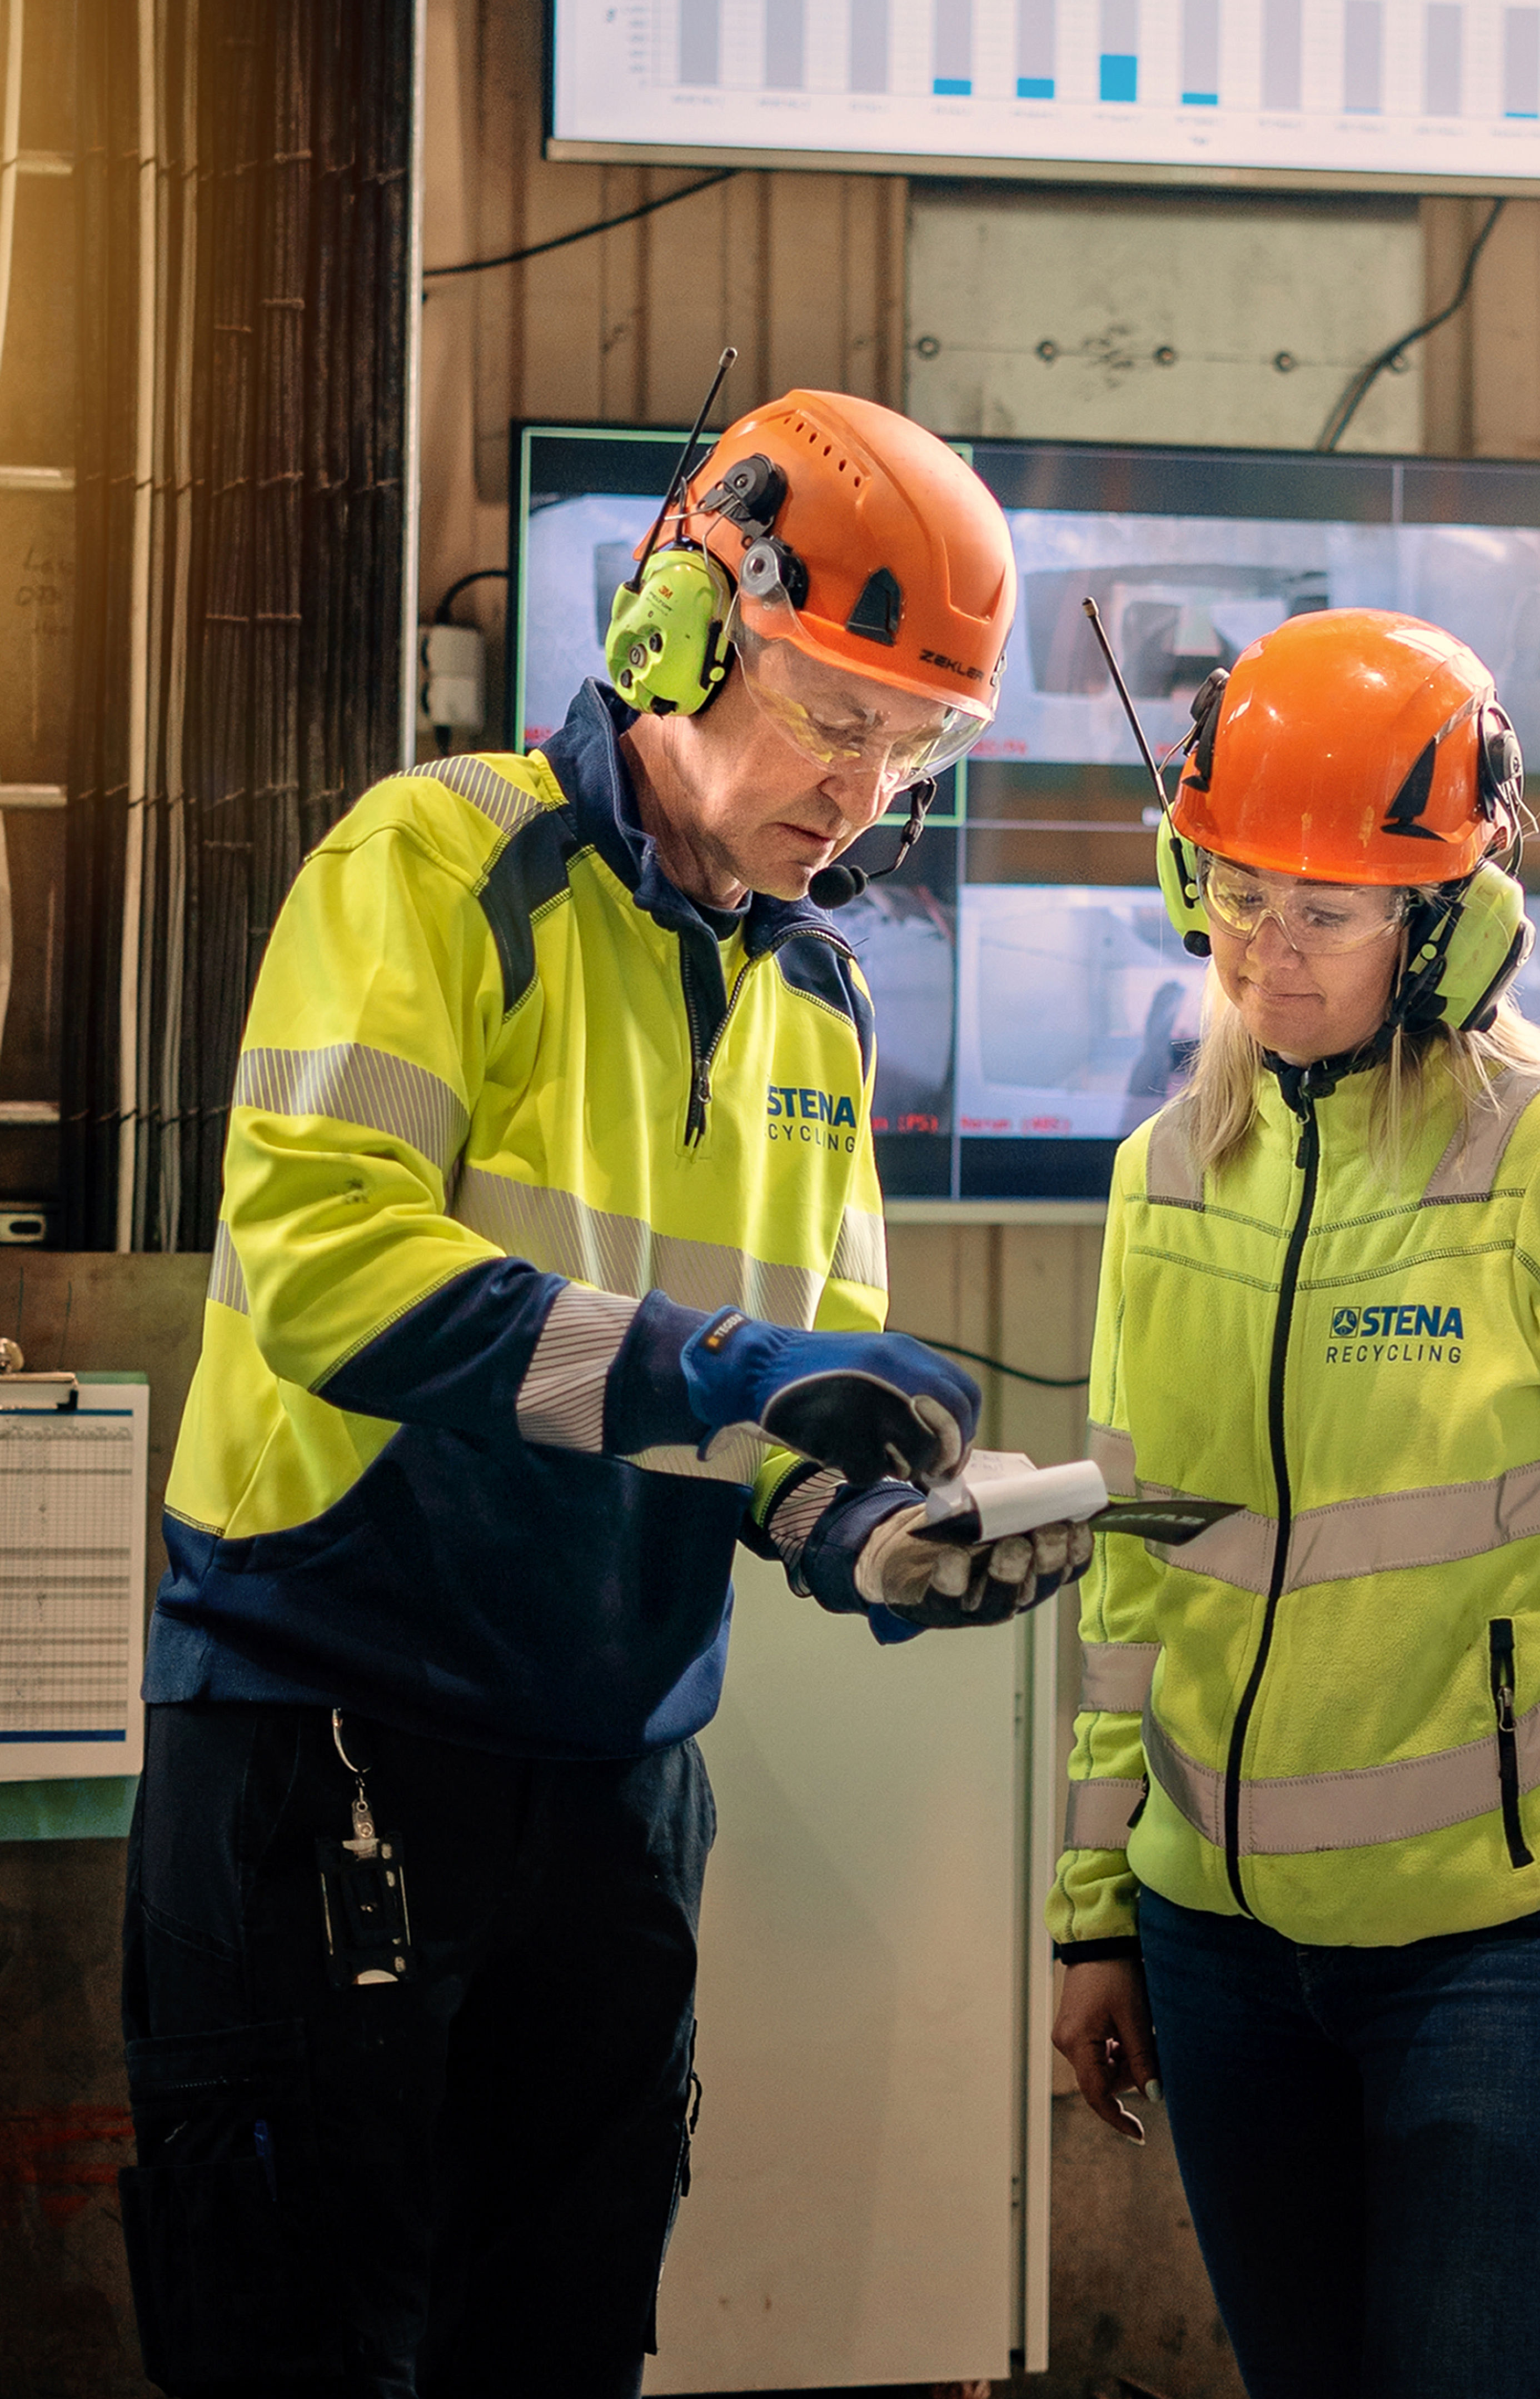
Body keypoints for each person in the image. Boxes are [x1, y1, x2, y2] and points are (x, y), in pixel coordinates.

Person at [120, 389, 1088, 2399]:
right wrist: (727, 1371)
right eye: (837, 713)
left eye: (915, 747)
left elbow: (786, 1428)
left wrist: (881, 1535)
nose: (863, 792)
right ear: (682, 625)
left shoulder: (817, 995)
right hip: (331, 1761)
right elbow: (326, 1267)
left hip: (624, 1806)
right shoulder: (433, 864)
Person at [1050, 610, 1540, 2399]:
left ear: (1447, 926)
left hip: (1508, 1953)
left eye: (1328, 910)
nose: (1267, 951)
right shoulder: (1168, 1174)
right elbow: (1138, 1574)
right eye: (1234, 892)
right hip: (1218, 1951)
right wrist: (1095, 1907)